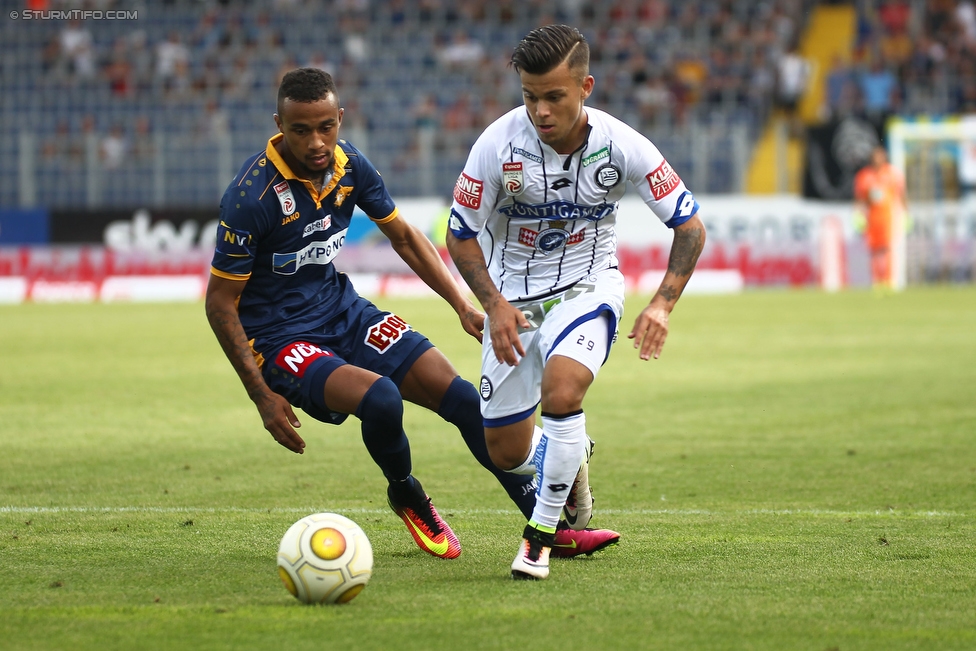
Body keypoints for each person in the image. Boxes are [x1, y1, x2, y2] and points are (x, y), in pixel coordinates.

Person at [205, 67, 614, 561]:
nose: (316, 142)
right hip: (280, 337)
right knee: (381, 400)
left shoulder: (349, 165)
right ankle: (406, 491)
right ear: (279, 124)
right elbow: (220, 302)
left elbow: (403, 236)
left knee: (467, 402)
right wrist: (260, 396)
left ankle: (547, 529)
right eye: (300, 130)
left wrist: (461, 303)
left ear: (340, 118)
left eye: (325, 127)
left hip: (342, 311)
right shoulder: (252, 197)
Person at [445, 25, 706, 580]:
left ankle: (538, 539)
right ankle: (569, 453)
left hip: (588, 286)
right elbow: (460, 233)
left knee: (562, 391)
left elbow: (689, 227)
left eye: (554, 96)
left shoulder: (623, 145)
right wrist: (492, 305)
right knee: (505, 449)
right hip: (513, 299)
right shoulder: (496, 145)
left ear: (585, 86)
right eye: (529, 96)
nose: (540, 109)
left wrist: (661, 303)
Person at [853, 145, 906, 291]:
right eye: (875, 156)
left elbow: (901, 194)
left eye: (880, 156)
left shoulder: (892, 173)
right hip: (871, 217)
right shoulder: (864, 175)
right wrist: (857, 215)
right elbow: (860, 198)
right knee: (874, 250)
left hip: (887, 217)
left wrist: (906, 213)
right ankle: (877, 281)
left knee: (888, 248)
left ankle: (889, 280)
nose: (878, 159)